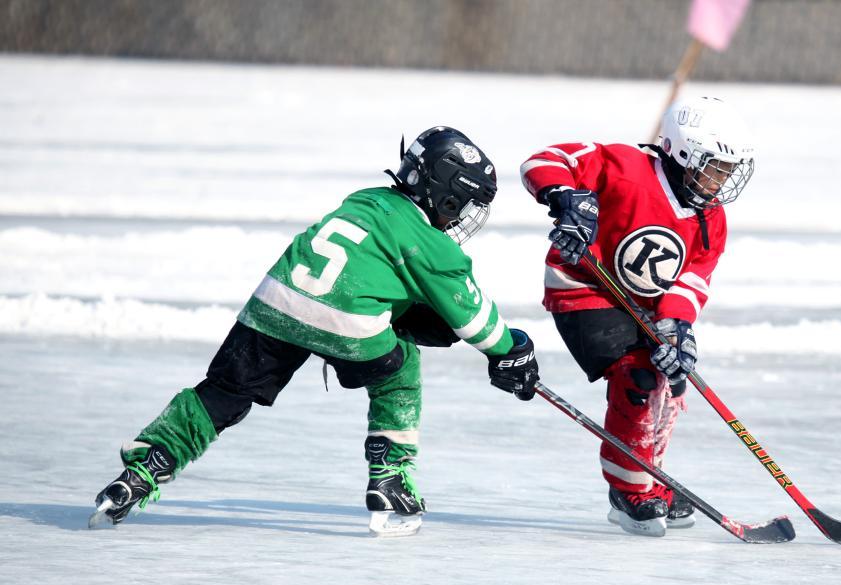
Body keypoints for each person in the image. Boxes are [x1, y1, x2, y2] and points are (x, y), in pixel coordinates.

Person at [91, 126, 540, 537]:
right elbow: (469, 311)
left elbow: (369, 266)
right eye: (463, 204)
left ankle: (142, 470)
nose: (461, 216)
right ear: (444, 194)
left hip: (276, 303)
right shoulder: (428, 239)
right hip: (347, 322)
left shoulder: (366, 200)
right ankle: (391, 477)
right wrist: (509, 348)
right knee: (398, 370)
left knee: (224, 392)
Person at [520, 95, 755, 537]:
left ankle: (651, 479)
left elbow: (693, 277)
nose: (722, 179)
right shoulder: (624, 166)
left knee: (671, 378)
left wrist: (676, 326)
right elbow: (545, 160)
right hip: (583, 288)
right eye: (715, 166)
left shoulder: (712, 218)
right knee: (640, 377)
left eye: (727, 170)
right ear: (683, 153)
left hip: (643, 306)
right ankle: (629, 492)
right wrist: (567, 198)